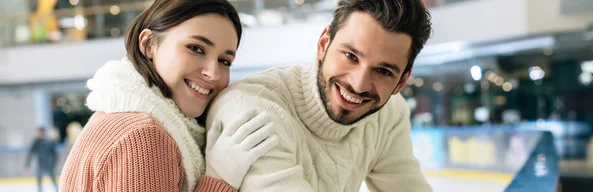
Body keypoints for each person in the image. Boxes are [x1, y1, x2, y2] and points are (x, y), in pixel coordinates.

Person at [205, 0, 434, 191]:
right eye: (350, 56)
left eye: (383, 71)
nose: (359, 84)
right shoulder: (250, 111)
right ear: (324, 44)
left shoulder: (389, 114)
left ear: (402, 81)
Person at [59, 0, 279, 192]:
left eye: (224, 61)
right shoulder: (142, 136)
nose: (212, 73)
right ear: (149, 45)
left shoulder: (126, 117)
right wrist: (220, 178)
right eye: (196, 48)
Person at [26, 127, 58, 192]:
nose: (40, 134)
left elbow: (55, 154)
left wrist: (53, 163)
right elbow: (31, 153)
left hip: (48, 164)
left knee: (53, 179)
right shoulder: (36, 142)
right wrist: (27, 164)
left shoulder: (49, 141)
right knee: (39, 180)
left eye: (41, 132)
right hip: (40, 164)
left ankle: (57, 189)